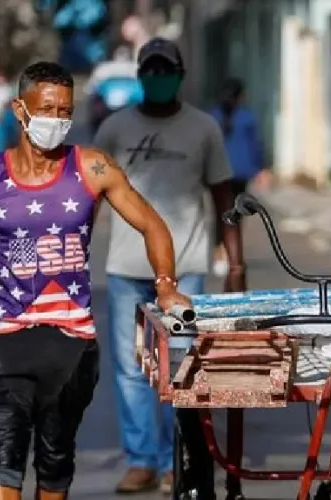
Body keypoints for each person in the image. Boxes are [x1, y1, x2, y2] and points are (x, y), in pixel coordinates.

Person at [0, 61, 192, 500]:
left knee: (55, 466)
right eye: (47, 109)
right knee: (3, 460)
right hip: (3, 339)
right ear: (20, 108)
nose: (56, 120)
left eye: (65, 111)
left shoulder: (91, 169)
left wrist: (165, 283)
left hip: (71, 345)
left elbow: (153, 225)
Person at [93, 37, 246, 495]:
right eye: (151, 70)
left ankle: (177, 459)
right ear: (140, 75)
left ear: (180, 75)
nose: (158, 78)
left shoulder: (202, 128)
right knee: (130, 367)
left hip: (186, 270)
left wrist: (234, 260)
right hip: (125, 267)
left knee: (182, 367)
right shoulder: (115, 129)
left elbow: (223, 195)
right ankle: (142, 459)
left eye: (166, 70)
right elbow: (93, 195)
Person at [207, 77, 267, 276]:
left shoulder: (212, 116)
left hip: (218, 172)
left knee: (220, 213)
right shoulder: (247, 117)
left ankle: (220, 253)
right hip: (241, 171)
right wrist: (261, 168)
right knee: (237, 214)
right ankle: (234, 255)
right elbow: (256, 145)